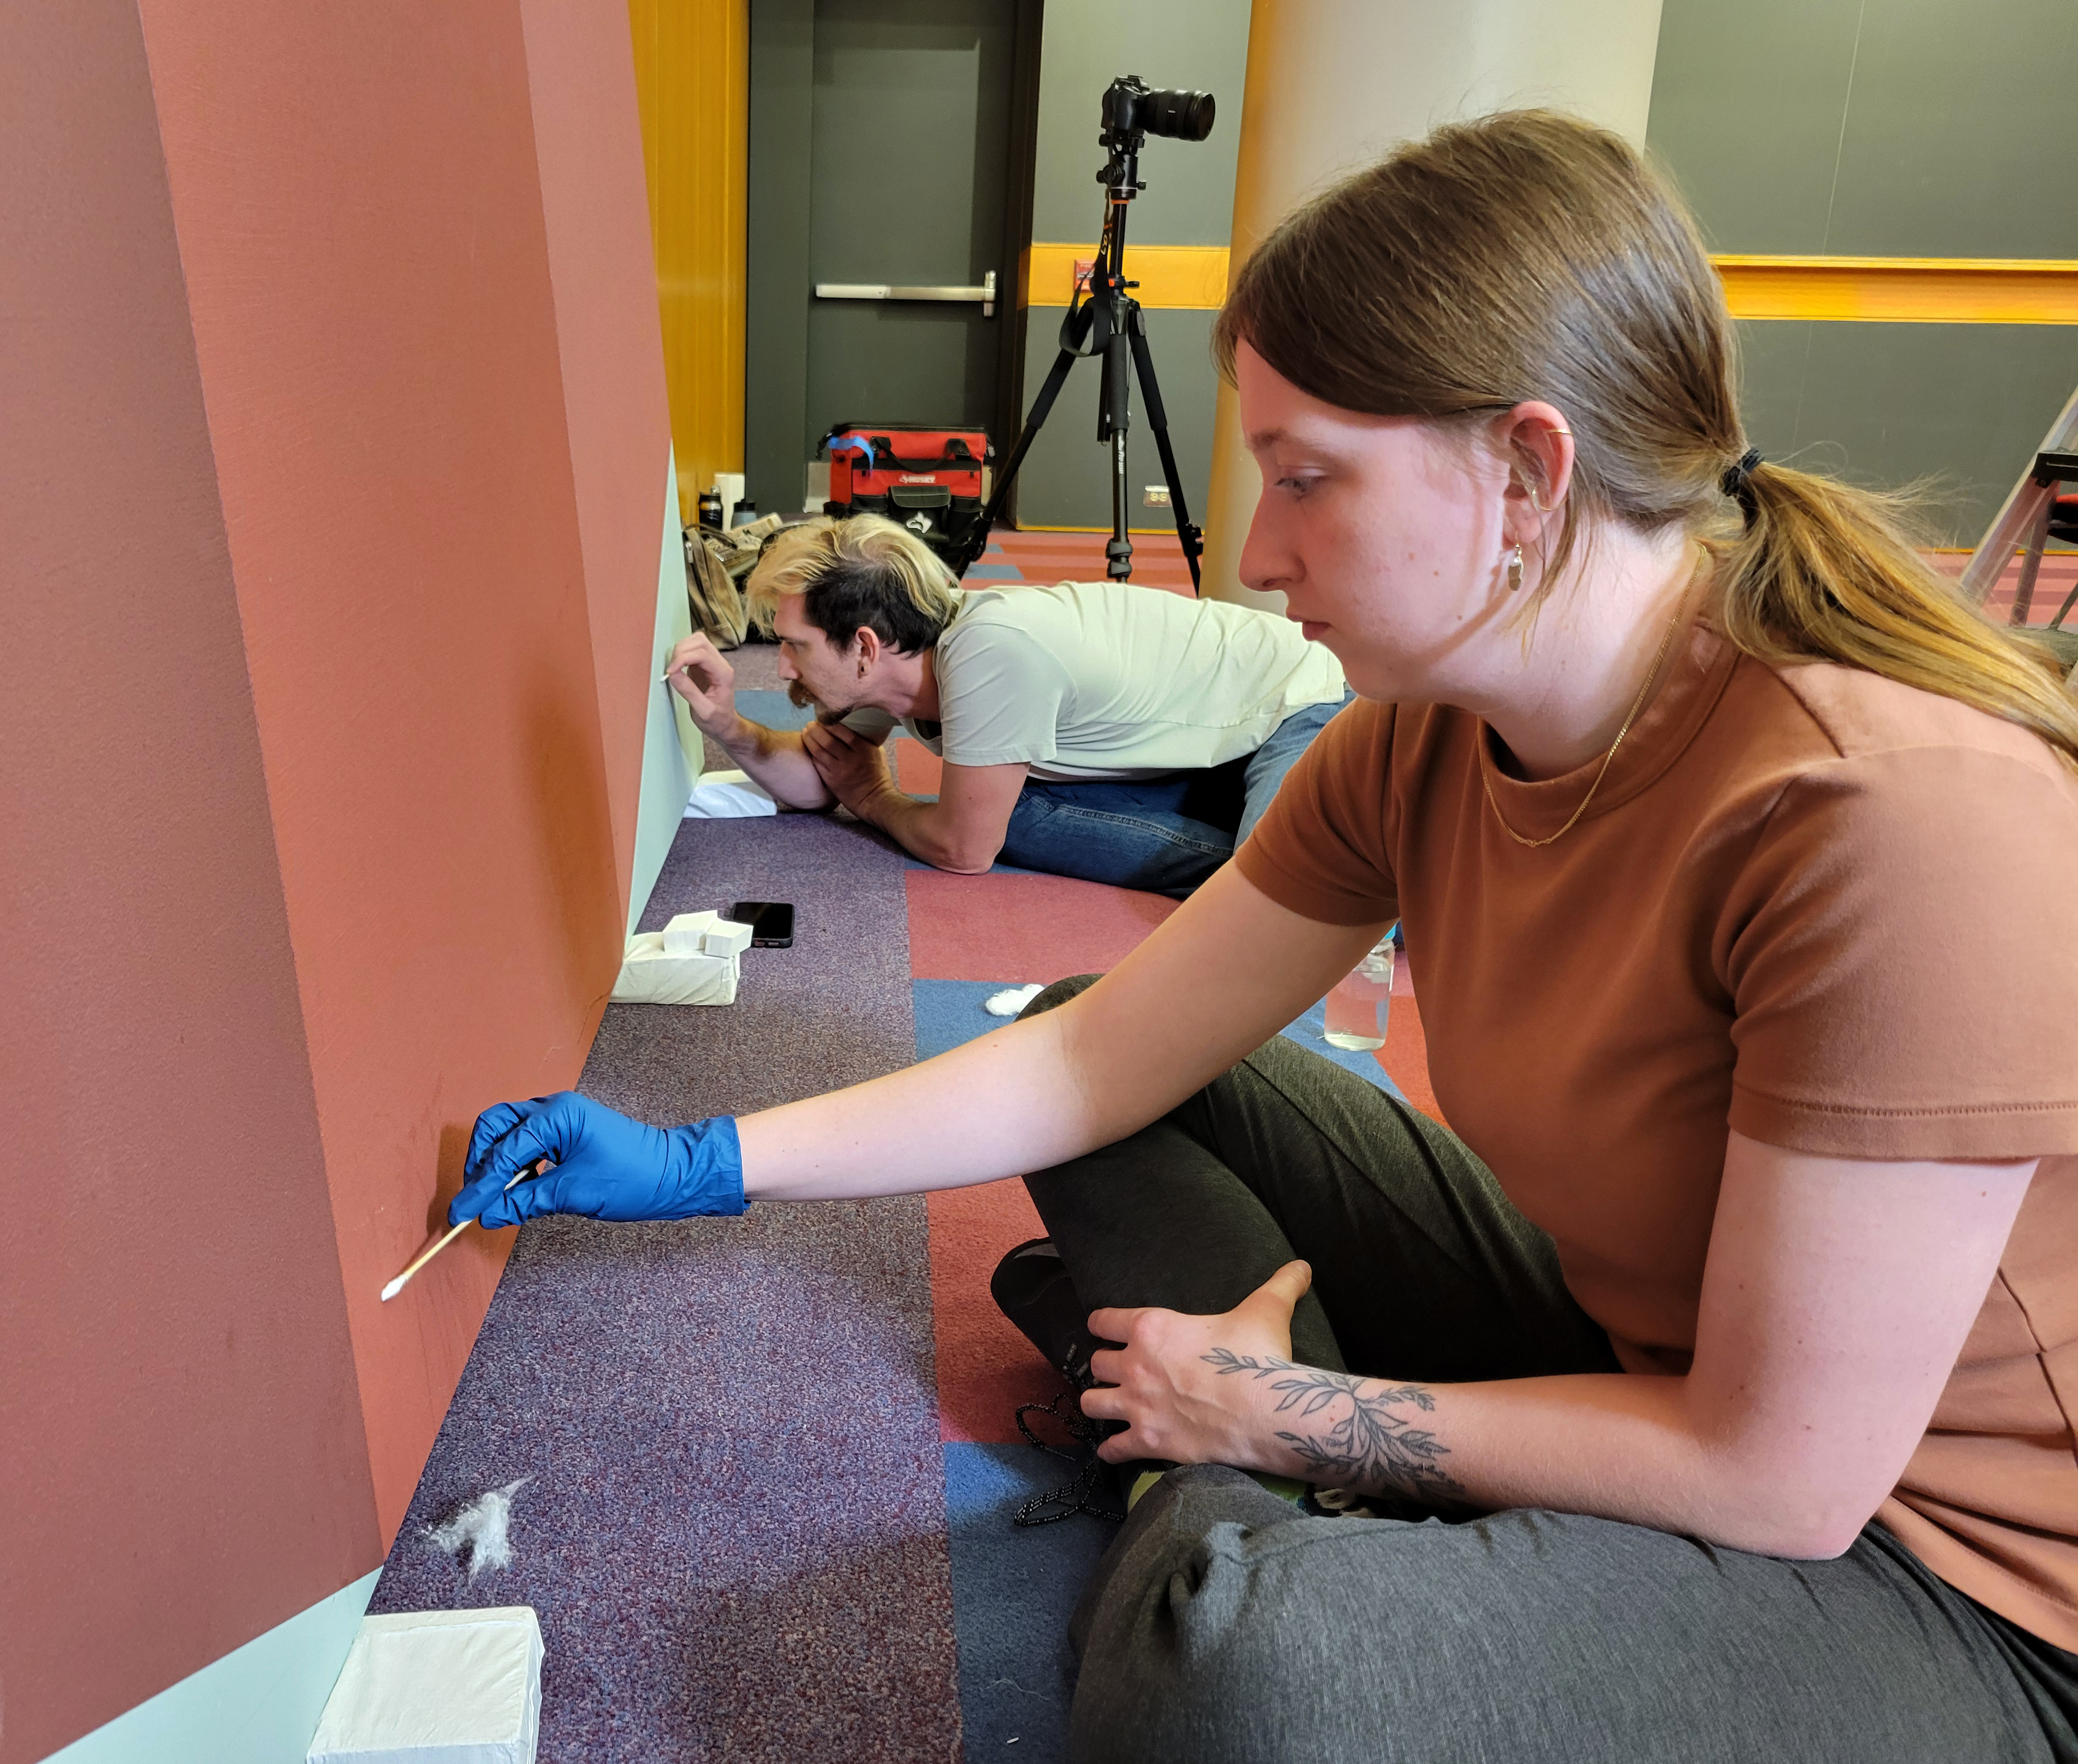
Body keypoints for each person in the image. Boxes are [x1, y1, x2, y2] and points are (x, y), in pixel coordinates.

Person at [456, 111, 2078, 1762]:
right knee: (1103, 1023)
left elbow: (1780, 1477)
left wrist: (1284, 1415)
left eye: (1308, 480)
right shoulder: (1420, 736)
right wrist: (693, 1161)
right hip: (1634, 1343)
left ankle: (1199, 1445)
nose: (1259, 553)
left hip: (1947, 1576)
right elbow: (1096, 1056)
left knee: (1252, 1676)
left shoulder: (1892, 813)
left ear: (1528, 472)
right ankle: (1217, 1440)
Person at [663, 514, 1348, 895]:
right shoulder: (901, 663)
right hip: (1201, 736)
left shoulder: (989, 651)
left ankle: (1382, 870)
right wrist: (725, 721)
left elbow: (964, 852)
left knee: (1282, 899)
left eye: (796, 646)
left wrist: (875, 801)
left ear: (865, 646)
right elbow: (818, 781)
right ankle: (1285, 838)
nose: (781, 667)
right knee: (1001, 805)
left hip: (1295, 701)